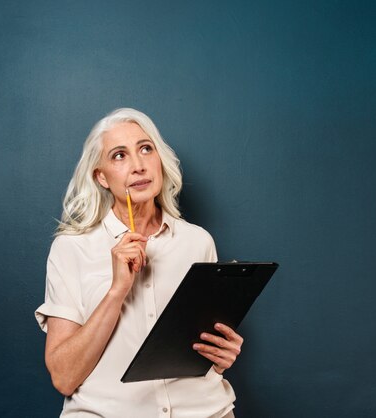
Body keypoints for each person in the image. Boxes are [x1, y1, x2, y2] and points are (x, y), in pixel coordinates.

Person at [35, 108, 243, 418]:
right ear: (101, 177)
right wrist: (118, 290)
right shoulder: (71, 249)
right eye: (119, 156)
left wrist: (222, 354)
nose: (138, 165)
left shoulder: (198, 241)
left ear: (159, 159)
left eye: (146, 148)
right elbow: (64, 377)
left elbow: (206, 345)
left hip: (206, 410)